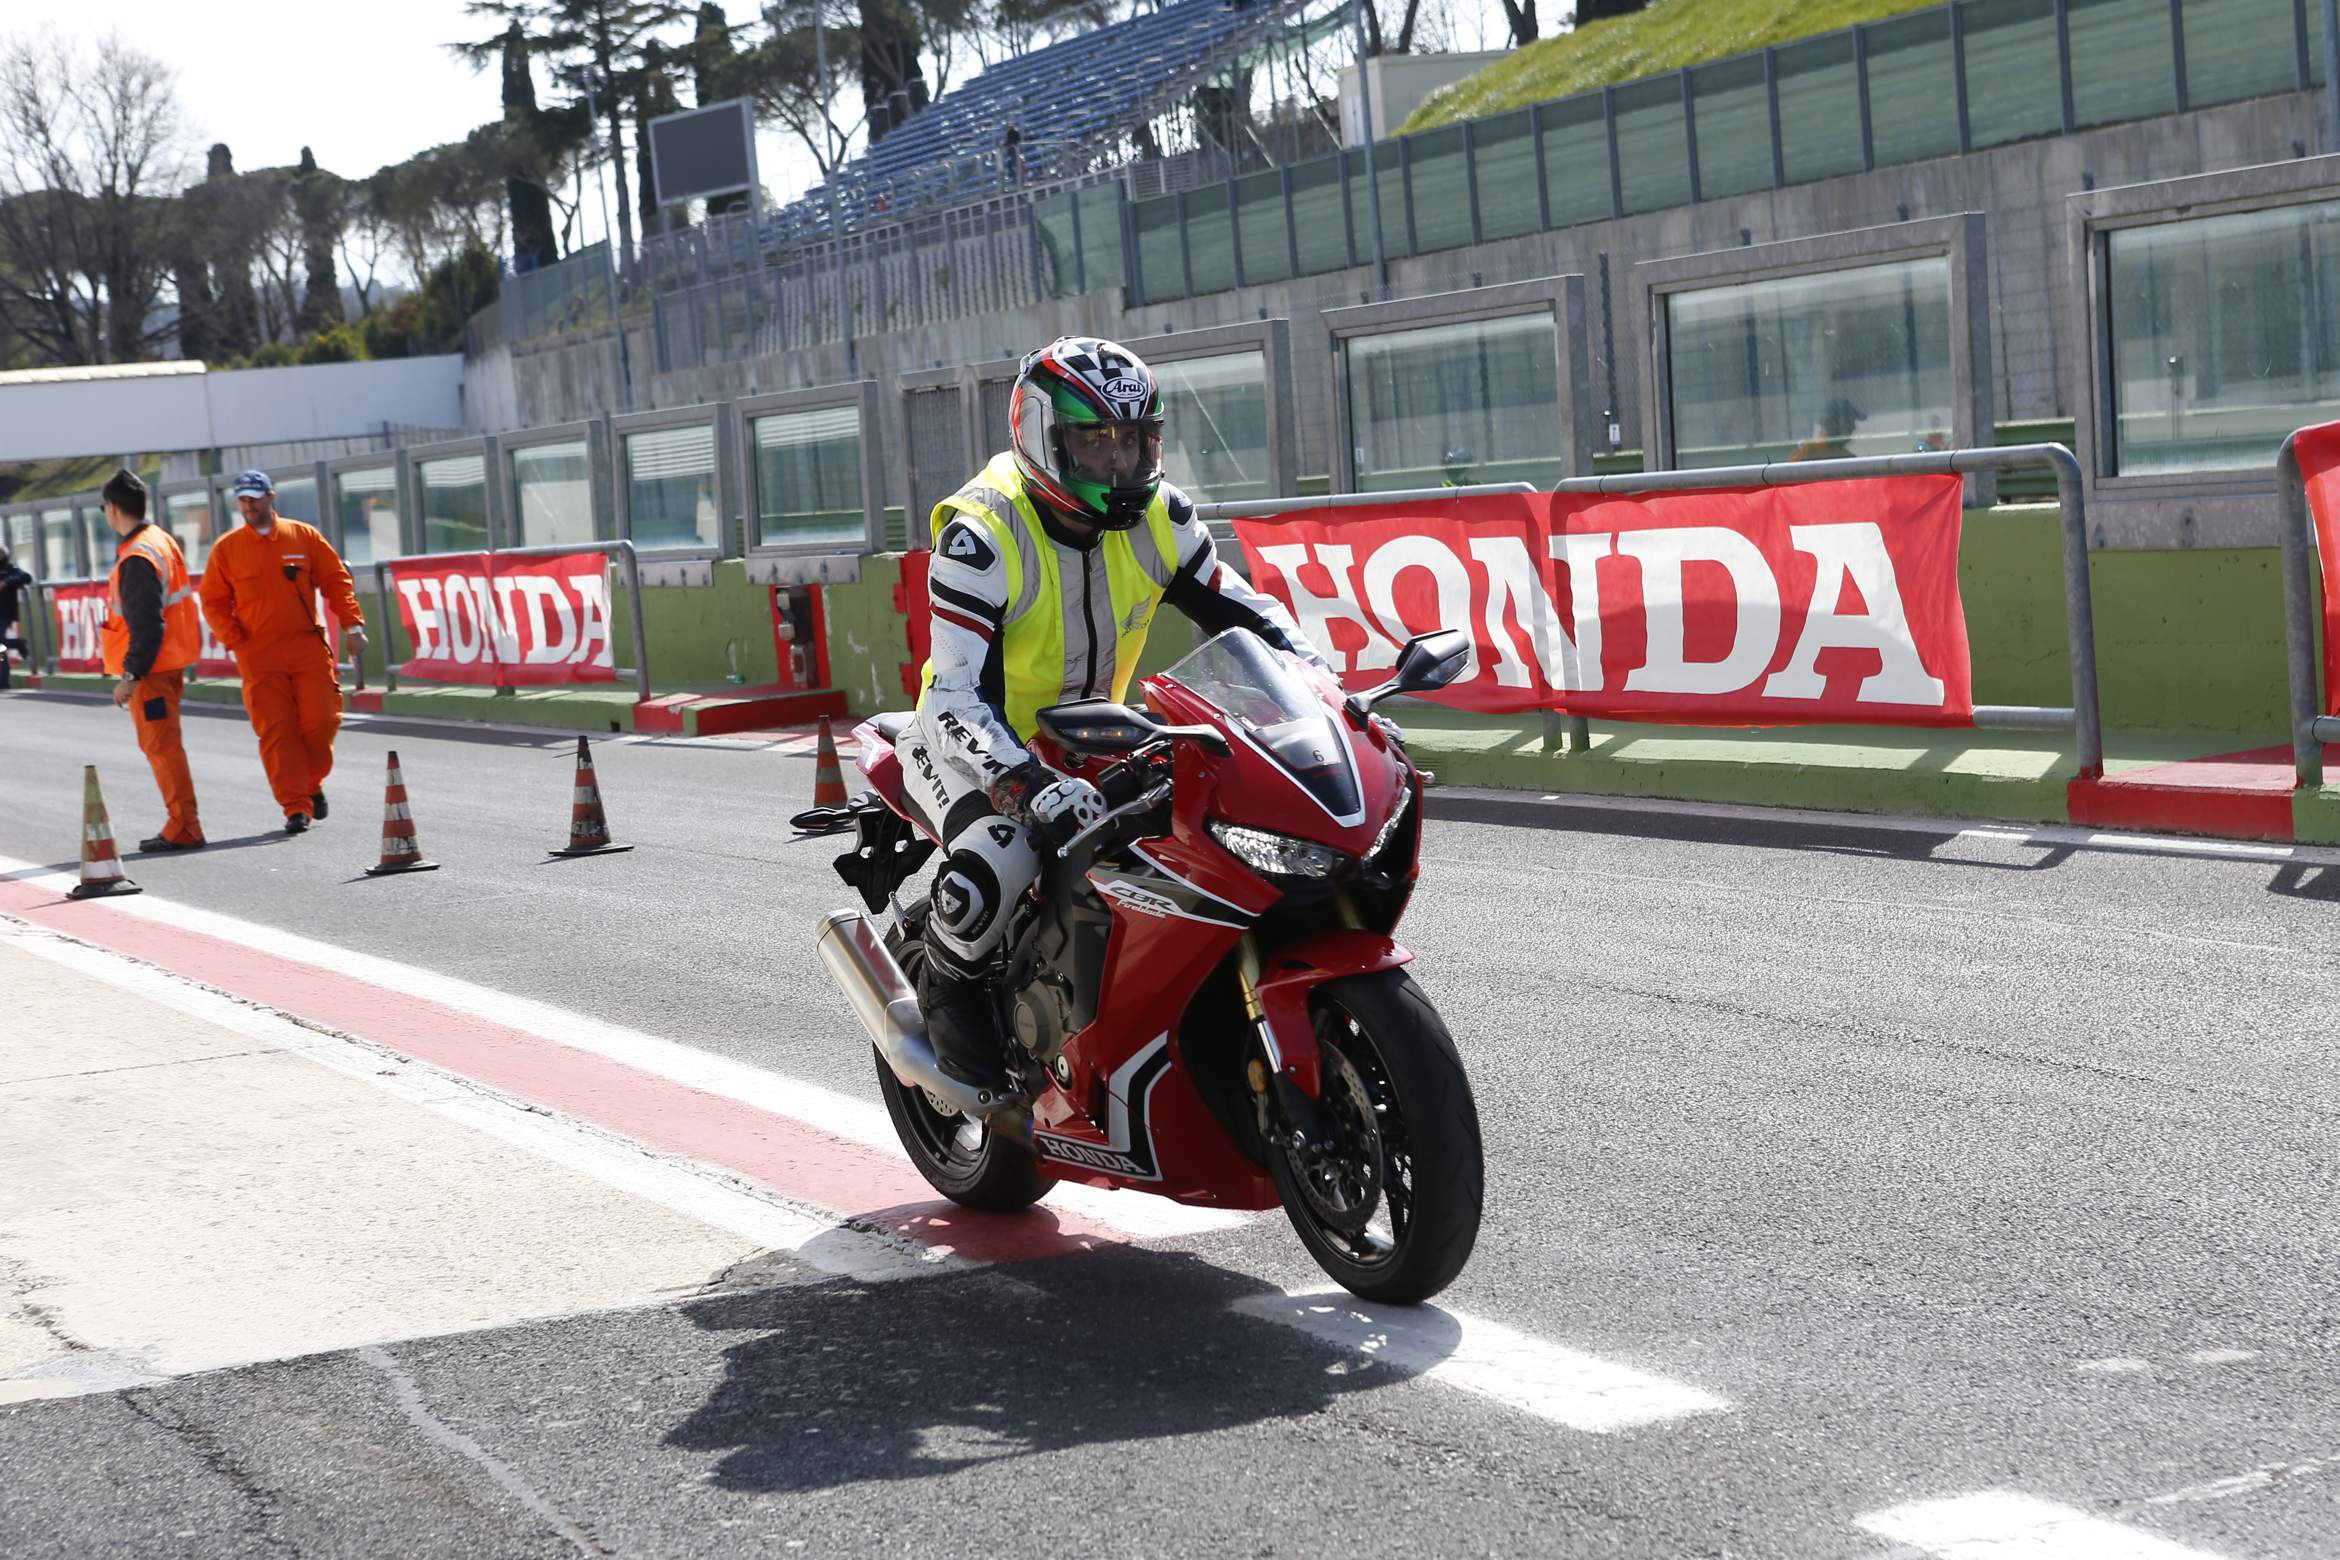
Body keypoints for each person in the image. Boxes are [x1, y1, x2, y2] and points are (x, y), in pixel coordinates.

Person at [906, 335, 1338, 1087]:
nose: (1118, 462)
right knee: (998, 860)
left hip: (1097, 735)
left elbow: (1253, 620)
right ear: (1042, 437)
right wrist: (1025, 784)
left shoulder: (1161, 518)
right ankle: (947, 992)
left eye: (1134, 441)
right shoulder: (984, 532)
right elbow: (954, 694)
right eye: (1095, 441)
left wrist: (1331, 695)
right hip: (970, 744)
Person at [197, 470, 368, 835]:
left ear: (271, 497)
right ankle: (295, 806)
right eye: (243, 500)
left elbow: (336, 580)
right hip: (258, 655)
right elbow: (213, 601)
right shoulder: (227, 549)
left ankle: (311, 784)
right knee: (277, 731)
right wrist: (236, 639)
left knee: (322, 722)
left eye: (255, 499)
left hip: (307, 647)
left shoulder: (303, 536)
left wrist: (353, 626)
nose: (249, 506)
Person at [96, 470, 206, 852]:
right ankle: (184, 822)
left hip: (152, 671)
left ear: (113, 509)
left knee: (162, 748)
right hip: (168, 662)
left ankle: (185, 825)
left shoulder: (137, 556)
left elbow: (146, 623)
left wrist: (131, 675)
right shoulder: (160, 539)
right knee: (166, 746)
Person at [1789, 396, 1865, 462]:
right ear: (1832, 424)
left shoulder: (1845, 458)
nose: (1854, 428)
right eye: (1850, 422)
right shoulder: (1806, 456)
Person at [0, 543, 29, 690]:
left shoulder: (10, 568)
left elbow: (26, 577)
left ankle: (3, 680)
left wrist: (6, 582)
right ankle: (17, 643)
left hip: (5, 612)